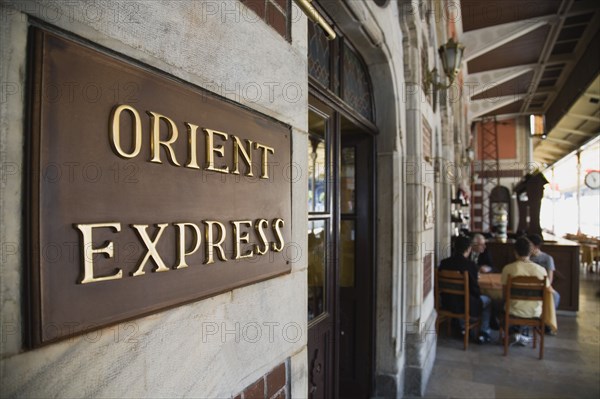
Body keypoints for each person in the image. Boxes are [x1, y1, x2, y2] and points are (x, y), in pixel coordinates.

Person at [439, 236, 493, 343]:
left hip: (446, 302)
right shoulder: (470, 265)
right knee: (488, 300)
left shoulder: (444, 263)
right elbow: (475, 290)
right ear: (468, 249)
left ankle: (463, 327)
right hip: (465, 305)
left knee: (462, 297)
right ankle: (484, 332)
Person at [501, 237, 550, 345]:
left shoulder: (508, 269)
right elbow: (546, 292)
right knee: (526, 306)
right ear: (531, 252)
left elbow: (505, 295)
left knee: (496, 305)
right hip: (535, 311)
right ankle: (521, 334)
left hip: (513, 310)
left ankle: (512, 333)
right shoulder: (541, 270)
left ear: (515, 252)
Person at [528, 234, 561, 309]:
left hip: (543, 286)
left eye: (530, 245)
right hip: (528, 284)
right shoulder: (526, 257)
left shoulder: (547, 259)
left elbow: (550, 279)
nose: (528, 248)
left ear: (536, 246)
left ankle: (549, 318)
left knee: (555, 296)